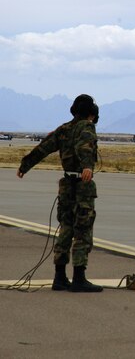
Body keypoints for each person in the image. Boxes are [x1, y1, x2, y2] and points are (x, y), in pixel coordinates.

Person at [17, 94, 103, 293]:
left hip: (66, 185)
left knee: (65, 228)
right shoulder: (87, 127)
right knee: (82, 230)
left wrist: (25, 165)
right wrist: (87, 166)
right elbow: (85, 147)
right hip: (82, 184)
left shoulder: (63, 129)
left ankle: (59, 277)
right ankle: (79, 278)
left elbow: (43, 148)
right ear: (91, 113)